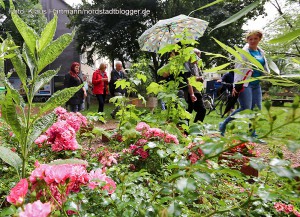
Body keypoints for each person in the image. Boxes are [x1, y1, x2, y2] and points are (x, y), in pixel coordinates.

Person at [219, 30, 270, 136]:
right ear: (247, 40)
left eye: (255, 38)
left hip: (256, 84)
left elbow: (264, 67)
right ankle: (223, 124)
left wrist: (268, 74)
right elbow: (238, 69)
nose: (253, 41)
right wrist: (235, 86)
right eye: (250, 39)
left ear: (259, 39)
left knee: (256, 109)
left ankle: (252, 133)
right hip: (245, 84)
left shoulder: (261, 52)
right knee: (245, 107)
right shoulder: (244, 52)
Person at [185, 48, 206, 123]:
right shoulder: (186, 64)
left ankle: (196, 129)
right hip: (188, 91)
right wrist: (198, 78)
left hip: (197, 91)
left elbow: (200, 76)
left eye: (199, 57)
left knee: (202, 110)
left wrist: (201, 78)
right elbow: (189, 79)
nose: (198, 59)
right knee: (187, 112)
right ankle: (185, 133)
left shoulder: (197, 65)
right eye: (197, 57)